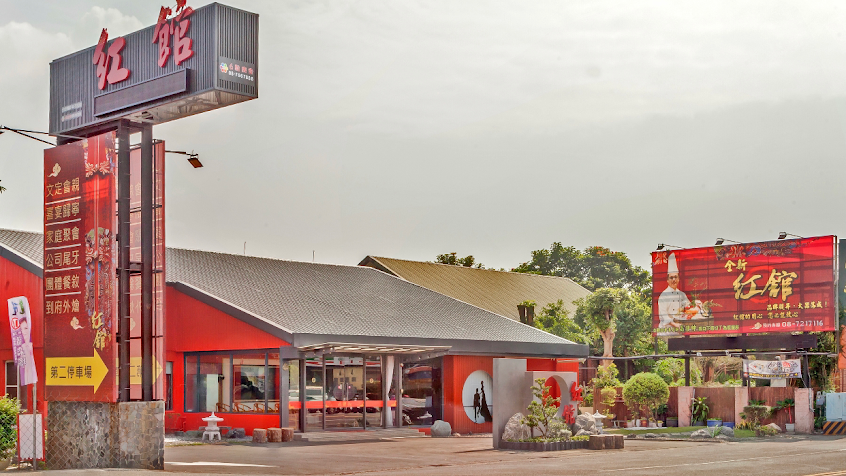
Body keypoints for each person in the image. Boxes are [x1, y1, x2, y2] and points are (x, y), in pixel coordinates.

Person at [657, 253, 705, 336]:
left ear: (678, 279)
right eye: (671, 277)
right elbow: (664, 316)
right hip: (666, 333)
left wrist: (696, 305)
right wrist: (675, 325)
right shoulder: (664, 296)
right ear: (667, 280)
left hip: (679, 332)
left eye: (676, 277)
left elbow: (688, 308)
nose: (674, 280)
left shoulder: (682, 295)